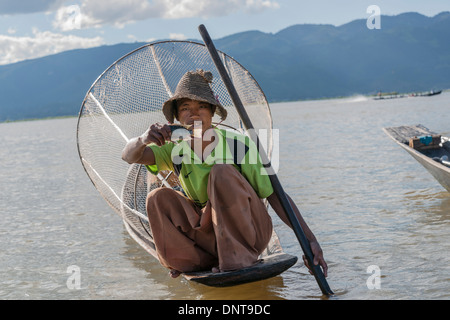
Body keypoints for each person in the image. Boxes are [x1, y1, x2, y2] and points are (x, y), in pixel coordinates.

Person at [122, 69, 328, 278]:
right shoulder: (175, 149)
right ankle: (193, 261)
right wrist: (143, 139)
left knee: (221, 172)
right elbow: (129, 156)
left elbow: (275, 194)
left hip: (249, 230)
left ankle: (237, 258)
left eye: (202, 106)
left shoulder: (237, 144)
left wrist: (309, 240)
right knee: (157, 198)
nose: (194, 113)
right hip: (210, 234)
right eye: (185, 108)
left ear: (212, 112)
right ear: (177, 117)